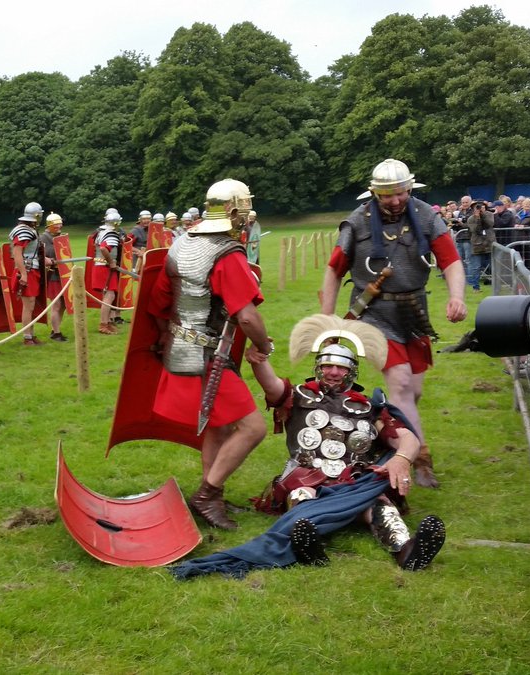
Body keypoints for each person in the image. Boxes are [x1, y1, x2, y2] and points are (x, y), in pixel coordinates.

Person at [170, 315, 446, 579]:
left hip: (352, 482)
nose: (334, 372)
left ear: (351, 370)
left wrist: (401, 459)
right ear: (318, 366)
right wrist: (259, 360)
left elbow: (407, 438)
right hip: (306, 478)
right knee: (302, 499)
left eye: (341, 367)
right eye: (328, 366)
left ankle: (407, 550)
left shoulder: (369, 408)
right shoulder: (299, 396)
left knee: (381, 506)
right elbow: (272, 385)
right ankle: (308, 547)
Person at [319, 158, 466, 488]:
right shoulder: (357, 223)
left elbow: (452, 261)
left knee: (412, 392)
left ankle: (384, 431)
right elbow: (333, 271)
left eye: (401, 193)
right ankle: (419, 458)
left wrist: (457, 296)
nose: (396, 201)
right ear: (374, 193)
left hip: (413, 314)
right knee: (399, 384)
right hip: (373, 315)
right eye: (388, 195)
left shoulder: (427, 216)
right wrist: (327, 320)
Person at [146, 179, 272, 530]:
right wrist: (263, 345)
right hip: (206, 356)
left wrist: (165, 338)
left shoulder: (182, 244)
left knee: (218, 427)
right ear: (235, 212)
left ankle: (211, 496)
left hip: (181, 349)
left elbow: (158, 305)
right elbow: (246, 315)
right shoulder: (227, 254)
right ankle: (207, 493)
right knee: (252, 427)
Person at [9, 201, 46, 346]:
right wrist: (23, 274)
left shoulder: (30, 229)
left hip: (32, 269)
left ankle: (30, 334)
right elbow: (17, 253)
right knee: (28, 305)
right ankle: (27, 337)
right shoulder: (24, 231)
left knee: (31, 305)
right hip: (27, 270)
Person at [93, 208, 125, 334]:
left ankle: (106, 322)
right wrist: (111, 262)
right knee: (109, 295)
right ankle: (103, 325)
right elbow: (104, 249)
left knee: (108, 295)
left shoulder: (102, 232)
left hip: (101, 265)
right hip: (104, 267)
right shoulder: (111, 234)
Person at [39, 212, 68, 341]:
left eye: (60, 224)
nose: (59, 226)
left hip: (63, 274)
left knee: (63, 304)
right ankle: (56, 333)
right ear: (50, 225)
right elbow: (40, 256)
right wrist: (50, 260)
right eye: (56, 224)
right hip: (52, 275)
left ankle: (54, 329)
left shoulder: (61, 237)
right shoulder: (43, 239)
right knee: (56, 304)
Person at [466, 200, 496, 291]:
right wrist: (477, 218)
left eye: (482, 206)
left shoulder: (489, 215)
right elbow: (476, 230)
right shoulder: (471, 219)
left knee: (493, 265)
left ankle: (495, 285)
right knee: (476, 267)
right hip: (477, 245)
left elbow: (489, 224)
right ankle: (476, 287)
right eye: (477, 207)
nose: (480, 208)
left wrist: (482, 215)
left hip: (489, 243)